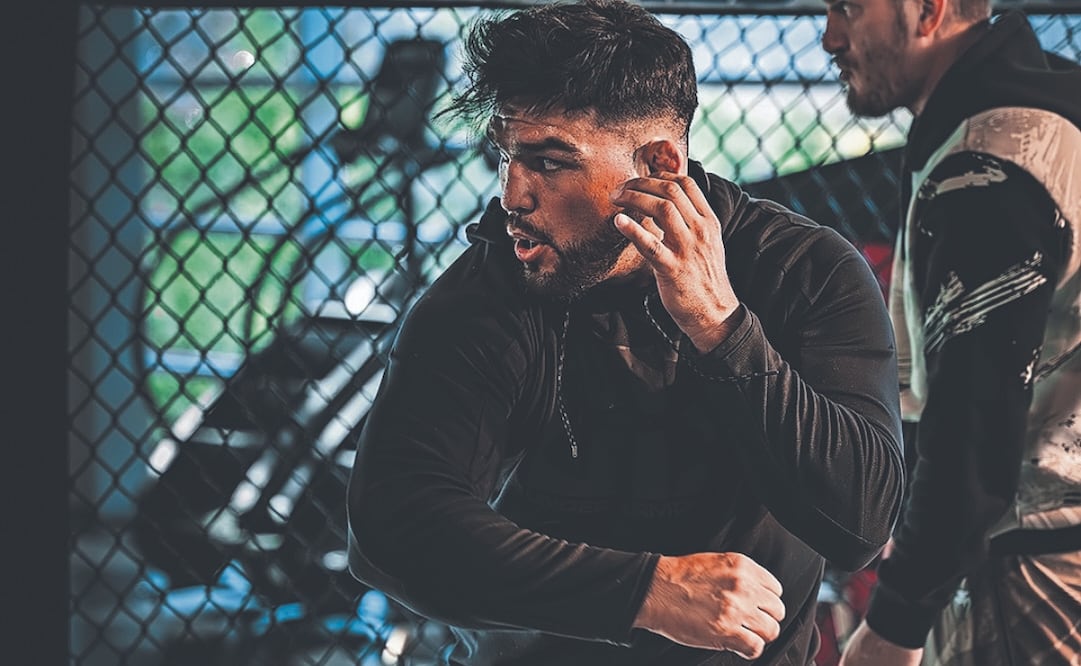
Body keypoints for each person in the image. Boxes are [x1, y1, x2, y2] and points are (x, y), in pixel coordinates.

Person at [346, 1, 906, 663]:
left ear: (659, 163)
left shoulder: (799, 269)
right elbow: (392, 523)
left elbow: (859, 524)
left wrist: (720, 328)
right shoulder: (490, 290)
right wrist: (644, 591)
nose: (512, 195)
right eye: (506, 157)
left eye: (549, 163)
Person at [821, 0, 1081, 664]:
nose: (829, 36)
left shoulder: (986, 160)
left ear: (929, 11)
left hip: (1031, 574)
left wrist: (895, 623)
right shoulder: (1048, 113)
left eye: (849, 8)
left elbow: (974, 420)